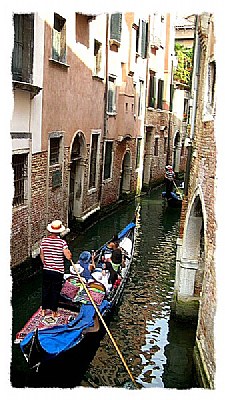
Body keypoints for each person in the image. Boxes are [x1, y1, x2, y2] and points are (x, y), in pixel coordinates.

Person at [40, 219, 72, 321]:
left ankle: (44, 310)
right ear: (59, 231)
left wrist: (46, 264)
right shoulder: (62, 243)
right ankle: (54, 312)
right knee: (55, 291)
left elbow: (42, 255)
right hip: (58, 271)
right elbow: (68, 257)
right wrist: (69, 253)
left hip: (47, 270)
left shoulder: (44, 241)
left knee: (46, 289)